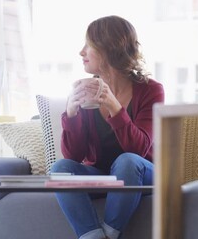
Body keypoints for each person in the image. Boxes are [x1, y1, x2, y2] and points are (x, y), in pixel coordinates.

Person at [50, 15, 164, 239]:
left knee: (127, 161)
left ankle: (110, 234)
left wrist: (114, 107)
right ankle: (93, 237)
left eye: (88, 46)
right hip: (103, 176)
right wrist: (71, 114)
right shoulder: (87, 90)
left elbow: (139, 149)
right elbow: (74, 155)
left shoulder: (151, 90)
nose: (81, 52)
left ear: (108, 49)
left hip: (141, 174)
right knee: (61, 169)